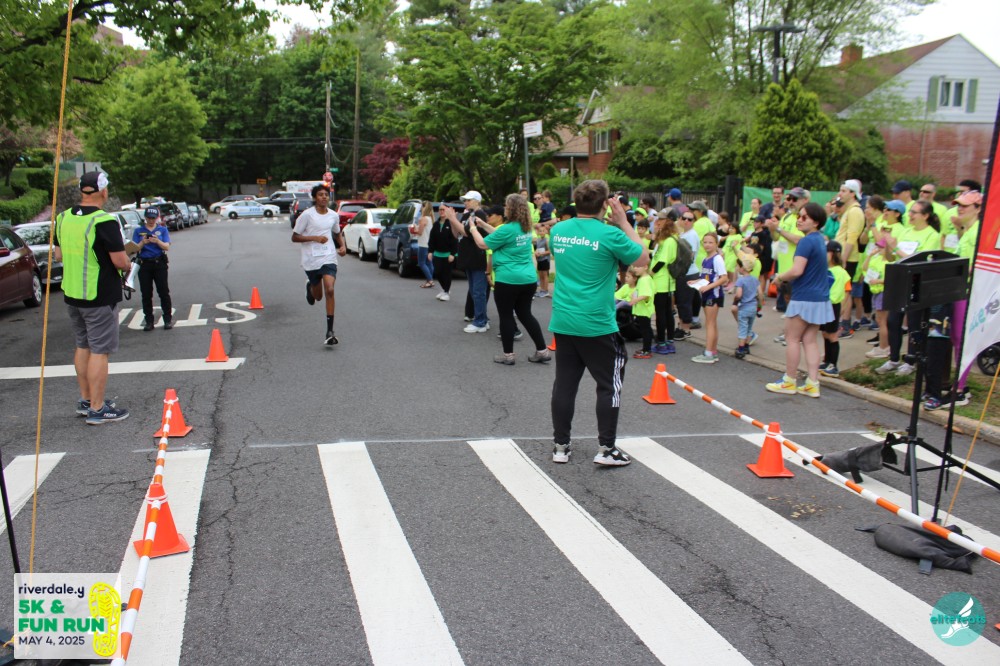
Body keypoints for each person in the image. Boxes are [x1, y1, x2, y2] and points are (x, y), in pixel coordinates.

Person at [549, 180, 648, 467]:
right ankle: (606, 448)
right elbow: (642, 258)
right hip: (597, 322)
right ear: (605, 204)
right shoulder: (610, 234)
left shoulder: (558, 231)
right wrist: (624, 222)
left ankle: (560, 446)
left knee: (564, 385)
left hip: (564, 320)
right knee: (609, 385)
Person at [53, 170, 131, 424]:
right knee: (100, 350)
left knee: (83, 345)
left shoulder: (63, 218)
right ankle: (98, 409)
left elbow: (58, 256)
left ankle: (86, 400)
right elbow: (120, 261)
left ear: (81, 191)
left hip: (72, 293)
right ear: (104, 192)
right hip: (99, 295)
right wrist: (128, 264)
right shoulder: (104, 221)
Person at [466, 194, 550, 365]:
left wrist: (473, 229)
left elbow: (483, 244)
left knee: (506, 316)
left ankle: (508, 355)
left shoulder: (508, 228)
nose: (504, 208)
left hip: (508, 279)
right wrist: (484, 225)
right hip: (527, 279)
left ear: (511, 209)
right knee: (525, 314)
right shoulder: (525, 227)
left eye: (506, 205)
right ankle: (542, 351)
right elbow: (501, 235)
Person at [765, 202, 834, 398]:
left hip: (804, 296)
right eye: (799, 216)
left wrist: (779, 277)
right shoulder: (819, 239)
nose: (799, 220)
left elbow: (797, 270)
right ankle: (812, 383)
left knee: (792, 338)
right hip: (820, 297)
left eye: (804, 217)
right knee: (810, 340)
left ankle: (789, 380)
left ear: (816, 221)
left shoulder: (806, 242)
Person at [292, 184, 346, 345]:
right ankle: (310, 287)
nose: (324, 197)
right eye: (320, 194)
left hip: (328, 257)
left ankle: (330, 331)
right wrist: (314, 238)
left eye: (326, 195)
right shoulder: (307, 215)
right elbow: (295, 237)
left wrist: (342, 246)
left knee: (330, 289)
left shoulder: (333, 215)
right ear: (315, 197)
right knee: (318, 296)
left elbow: (337, 232)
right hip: (311, 259)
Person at [447, 190, 490, 332]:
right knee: (473, 291)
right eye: (465, 200)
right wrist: (452, 220)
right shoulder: (466, 215)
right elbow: (456, 234)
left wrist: (453, 219)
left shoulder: (480, 215)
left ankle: (480, 322)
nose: (465, 202)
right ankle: (482, 318)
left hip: (477, 257)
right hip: (467, 258)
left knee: (478, 292)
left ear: (477, 201)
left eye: (468, 200)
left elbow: (467, 232)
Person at [132, 207, 173, 331]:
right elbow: (134, 249)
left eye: (153, 218)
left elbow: (166, 246)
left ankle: (167, 319)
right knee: (146, 293)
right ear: (145, 218)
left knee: (163, 292)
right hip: (144, 264)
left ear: (157, 218)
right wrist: (143, 242)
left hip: (159, 263)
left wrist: (157, 241)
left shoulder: (162, 229)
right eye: (149, 218)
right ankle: (149, 321)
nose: (151, 220)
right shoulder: (138, 231)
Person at [835, 179, 867, 337]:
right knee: (842, 290)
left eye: (843, 191)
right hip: (843, 256)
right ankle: (841, 322)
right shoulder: (849, 210)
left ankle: (845, 325)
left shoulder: (855, 211)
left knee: (846, 292)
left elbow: (852, 237)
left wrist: (843, 259)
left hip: (848, 257)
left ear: (853, 193)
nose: (840, 194)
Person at [691, 232, 727, 363]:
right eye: (705, 242)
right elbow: (705, 277)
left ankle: (708, 353)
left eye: (711, 242)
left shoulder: (717, 259)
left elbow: (724, 278)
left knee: (710, 324)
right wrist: (696, 282)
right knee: (712, 323)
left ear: (716, 244)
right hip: (707, 294)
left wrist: (709, 287)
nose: (707, 245)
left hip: (714, 294)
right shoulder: (705, 259)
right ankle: (713, 351)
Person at [649, 209, 679, 354]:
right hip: (662, 281)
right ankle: (668, 341)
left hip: (662, 281)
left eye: (661, 220)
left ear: (668, 221)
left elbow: (662, 261)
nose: (657, 222)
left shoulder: (669, 241)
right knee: (665, 312)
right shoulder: (665, 239)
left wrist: (650, 273)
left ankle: (662, 342)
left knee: (662, 313)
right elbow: (654, 253)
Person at [820, 241, 851, 378]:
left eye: (826, 252)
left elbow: (847, 290)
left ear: (832, 254)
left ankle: (833, 365)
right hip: (823, 305)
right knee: (825, 333)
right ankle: (827, 361)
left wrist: (843, 307)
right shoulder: (824, 269)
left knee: (832, 335)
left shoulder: (841, 272)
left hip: (833, 305)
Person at [674, 211, 701, 338]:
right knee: (681, 301)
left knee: (684, 302)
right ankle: (681, 326)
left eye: (690, 219)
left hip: (688, 273)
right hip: (684, 273)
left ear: (693, 222)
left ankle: (685, 329)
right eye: (684, 218)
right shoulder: (683, 233)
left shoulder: (691, 235)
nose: (686, 221)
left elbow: (690, 255)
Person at [428, 202, 458, 301]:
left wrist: (452, 254)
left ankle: (446, 292)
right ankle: (444, 289)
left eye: (443, 209)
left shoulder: (451, 224)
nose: (441, 211)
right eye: (440, 210)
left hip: (448, 254)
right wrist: (430, 251)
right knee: (437, 272)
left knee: (447, 274)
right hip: (437, 253)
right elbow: (432, 239)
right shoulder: (436, 224)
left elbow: (455, 240)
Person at [732, 257, 758, 359]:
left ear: (743, 268)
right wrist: (759, 304)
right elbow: (760, 293)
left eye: (739, 266)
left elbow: (739, 294)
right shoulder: (755, 279)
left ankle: (741, 349)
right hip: (753, 307)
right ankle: (747, 346)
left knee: (742, 328)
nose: (738, 268)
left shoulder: (741, 280)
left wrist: (735, 302)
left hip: (744, 307)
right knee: (749, 328)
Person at [626, 266, 654, 359]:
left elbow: (646, 295)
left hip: (644, 310)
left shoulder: (645, 279)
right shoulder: (642, 279)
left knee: (645, 330)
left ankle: (647, 350)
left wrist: (635, 300)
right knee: (644, 329)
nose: (635, 269)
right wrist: (634, 294)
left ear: (645, 267)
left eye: (638, 267)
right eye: (634, 267)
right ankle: (645, 348)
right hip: (641, 309)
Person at [415, 201, 435, 288]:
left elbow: (420, 232)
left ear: (424, 208)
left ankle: (430, 280)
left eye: (421, 207)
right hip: (430, 244)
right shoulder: (431, 219)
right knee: (429, 263)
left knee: (421, 263)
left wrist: (413, 230)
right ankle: (429, 280)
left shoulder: (423, 219)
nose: (420, 209)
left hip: (423, 244)